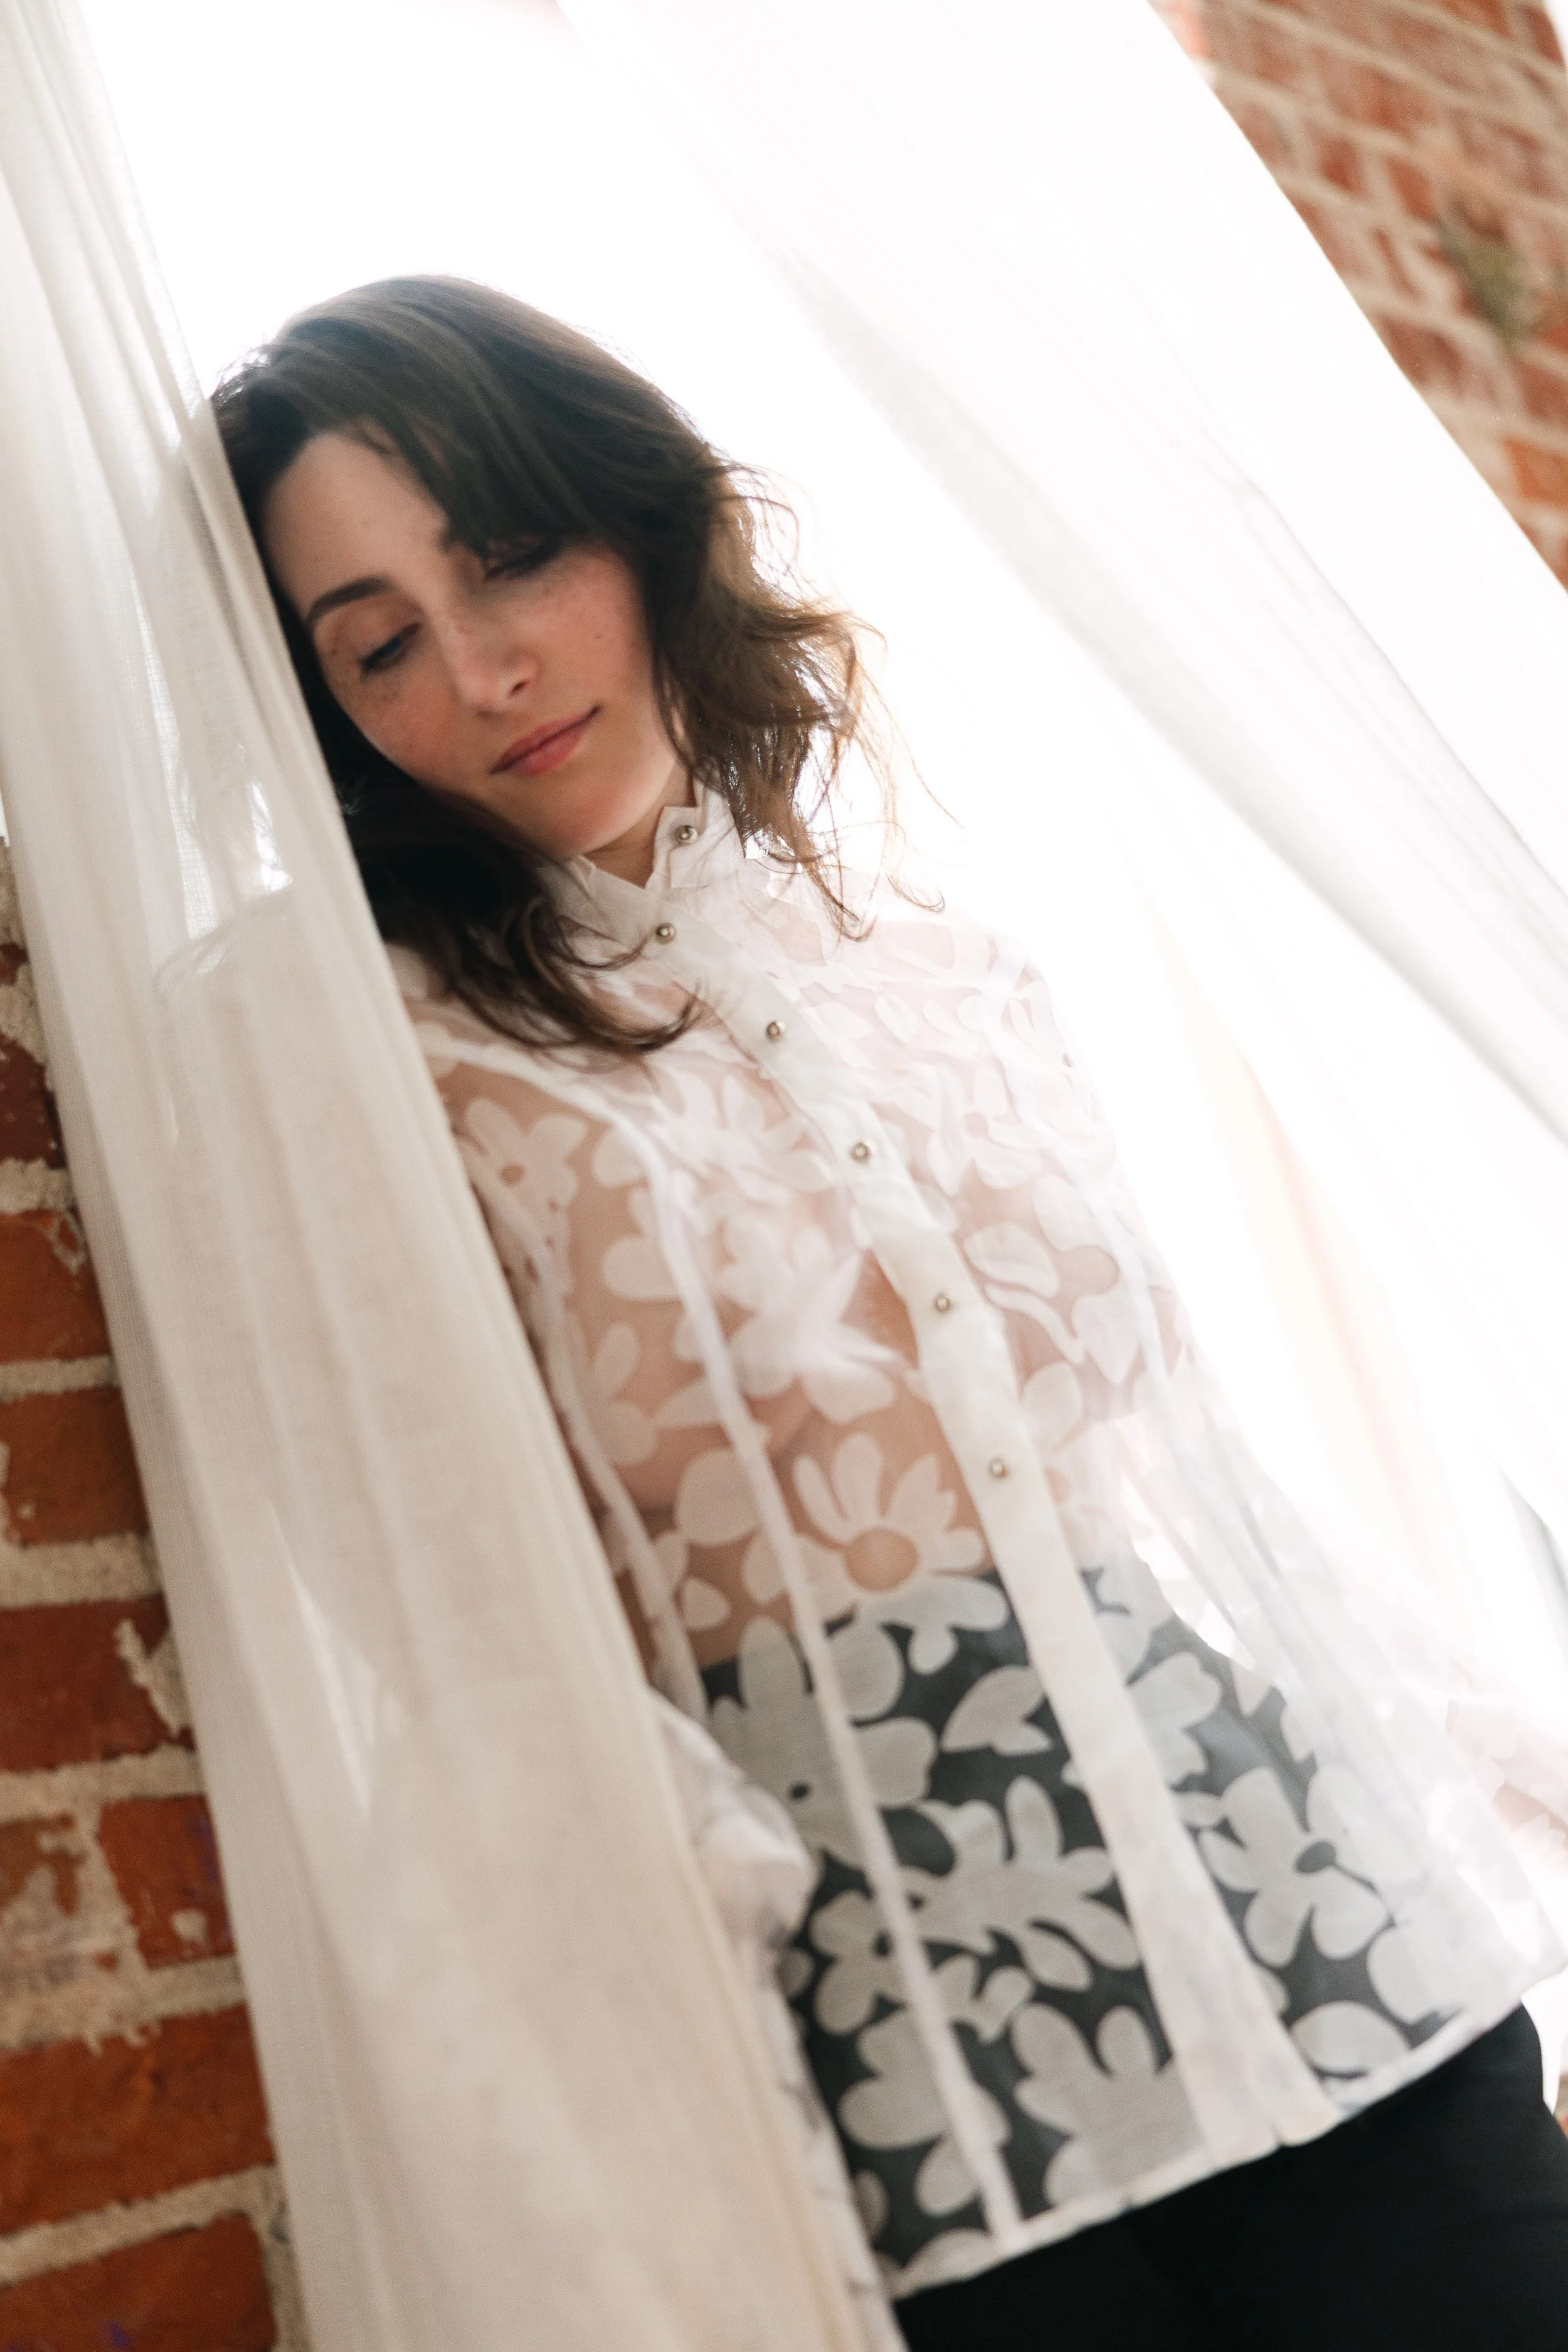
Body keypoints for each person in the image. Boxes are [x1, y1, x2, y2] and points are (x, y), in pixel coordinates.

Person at [215, 275, 1568, 2350]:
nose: (484, 671)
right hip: (892, 2069)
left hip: (1323, 1925)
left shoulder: (944, 976)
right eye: (382, 642)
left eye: (512, 561)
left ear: (639, 525)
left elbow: (1177, 1465)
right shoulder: (356, 1064)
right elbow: (455, 1652)